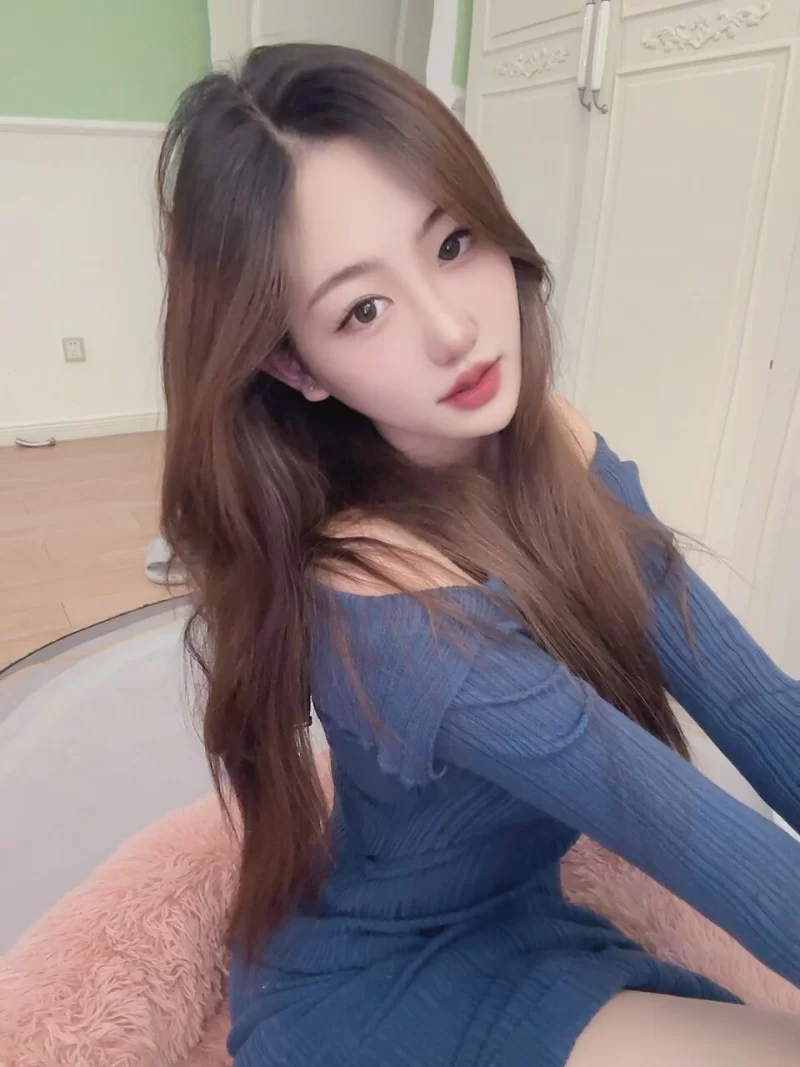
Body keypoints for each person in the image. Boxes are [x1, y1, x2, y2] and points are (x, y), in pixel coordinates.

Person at [156, 43, 800, 1067]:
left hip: (516, 915)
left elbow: (755, 705)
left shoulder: (551, 442)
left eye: (452, 242)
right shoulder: (392, 613)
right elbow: (683, 830)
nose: (454, 331)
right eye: (363, 309)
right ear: (295, 363)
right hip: (376, 988)